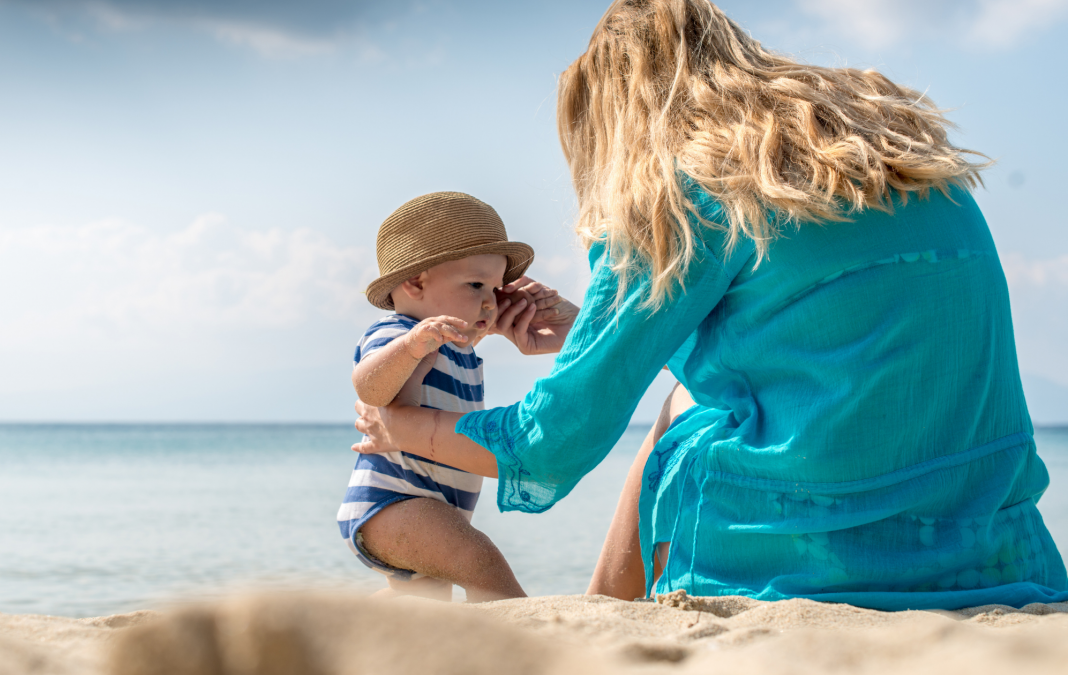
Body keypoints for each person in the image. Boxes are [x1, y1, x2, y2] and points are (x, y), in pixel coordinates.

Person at [352, 0, 1068, 610]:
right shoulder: (881, 147)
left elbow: (554, 442)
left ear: (615, 117)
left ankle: (605, 612)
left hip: (823, 548)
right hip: (994, 540)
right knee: (689, 395)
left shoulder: (680, 183)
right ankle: (606, 610)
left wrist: (402, 422)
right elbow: (815, 329)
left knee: (678, 414)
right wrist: (586, 333)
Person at [337, 191, 563, 602]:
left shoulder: (459, 352)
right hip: (394, 502)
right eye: (476, 284)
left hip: (433, 507)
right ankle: (516, 644)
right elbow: (369, 388)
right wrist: (412, 347)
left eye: (496, 289)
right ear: (415, 282)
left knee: (424, 605)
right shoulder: (398, 333)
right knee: (480, 561)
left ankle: (359, 636)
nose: (490, 302)